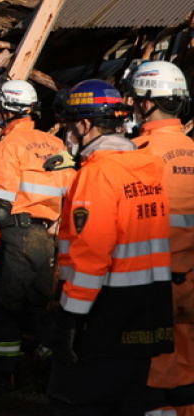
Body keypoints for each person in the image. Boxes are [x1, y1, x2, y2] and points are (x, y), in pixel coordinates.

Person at [46, 79, 173, 416]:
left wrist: (69, 319)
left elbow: (90, 256)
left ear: (85, 124)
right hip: (150, 307)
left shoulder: (98, 174)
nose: (70, 134)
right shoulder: (149, 168)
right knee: (131, 401)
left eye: (71, 125)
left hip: (104, 313)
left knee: (75, 402)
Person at [0, 79, 75, 392]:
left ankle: (5, 375)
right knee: (39, 305)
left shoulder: (8, 145)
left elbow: (1, 207)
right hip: (46, 236)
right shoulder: (55, 144)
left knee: (5, 306)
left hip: (16, 234)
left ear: (4, 111)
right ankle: (52, 368)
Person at [124, 61, 194, 414]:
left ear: (147, 102)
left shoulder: (136, 156)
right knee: (189, 372)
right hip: (191, 280)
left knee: (153, 377)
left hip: (152, 284)